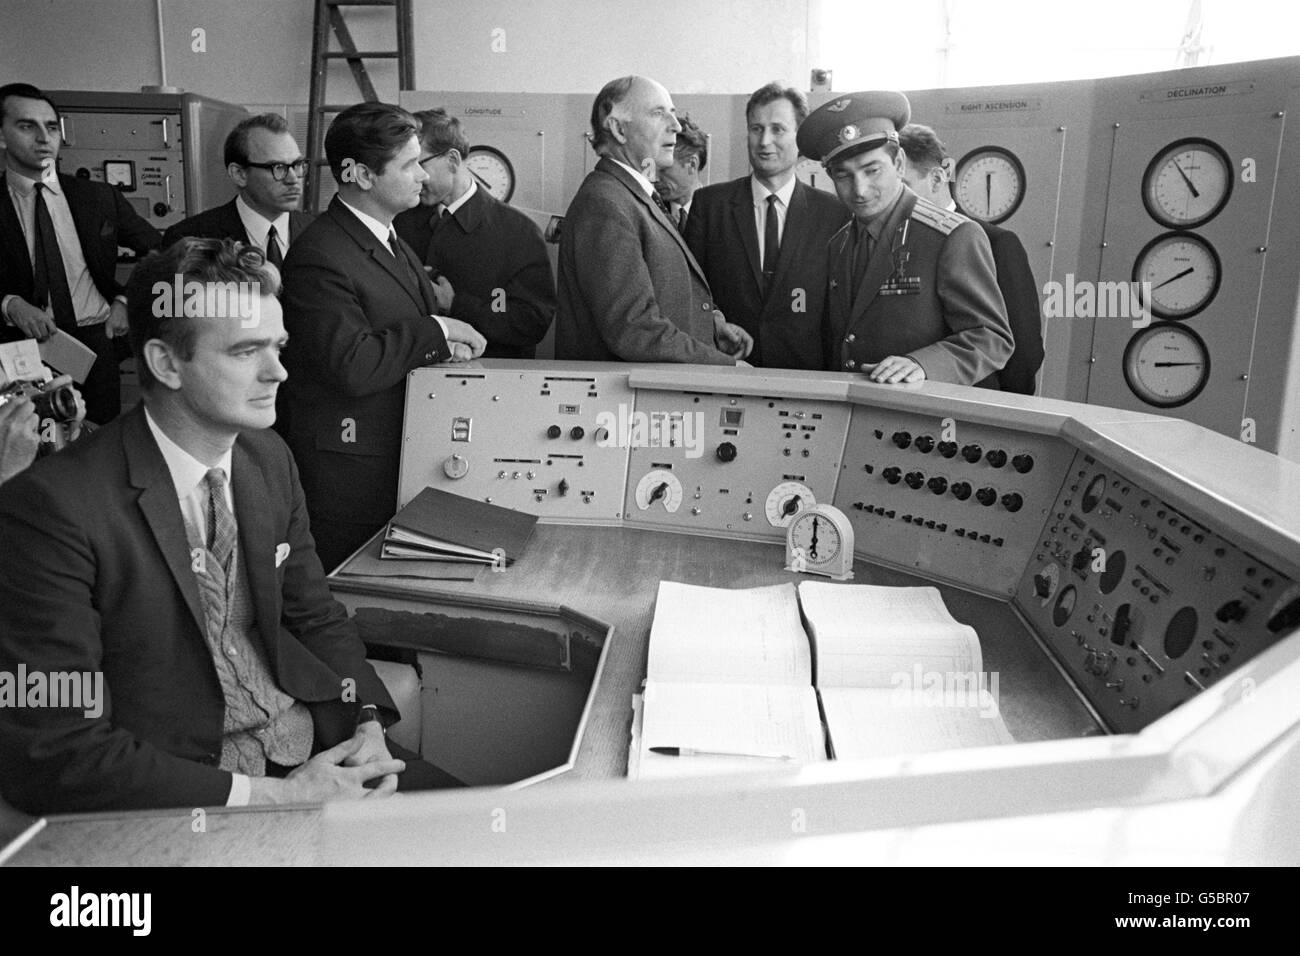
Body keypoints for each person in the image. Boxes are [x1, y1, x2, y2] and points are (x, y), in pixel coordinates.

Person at [0, 237, 462, 815]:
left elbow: (315, 615)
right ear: (166, 363)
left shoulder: (268, 458)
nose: (280, 372)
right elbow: (57, 746)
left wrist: (365, 720)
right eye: (247, 351)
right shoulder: (49, 509)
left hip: (314, 748)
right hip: (181, 792)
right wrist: (275, 796)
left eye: (279, 346)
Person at [280, 102, 486, 571]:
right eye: (409, 164)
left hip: (396, 463)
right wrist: (437, 329)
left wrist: (439, 347)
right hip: (350, 483)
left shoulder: (391, 240)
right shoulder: (321, 255)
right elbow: (350, 364)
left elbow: (391, 332)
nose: (424, 176)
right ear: (360, 175)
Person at [798, 90, 1013, 386]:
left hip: (925, 415)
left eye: (872, 170)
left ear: (898, 163)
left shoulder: (950, 236)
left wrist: (923, 365)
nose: (859, 189)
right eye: (843, 176)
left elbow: (991, 337)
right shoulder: (840, 243)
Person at [554, 75, 751, 365]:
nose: (676, 125)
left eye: (673, 113)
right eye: (659, 113)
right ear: (619, 129)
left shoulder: (633, 196)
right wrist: (724, 366)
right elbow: (634, 329)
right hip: (625, 407)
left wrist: (710, 326)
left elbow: (663, 291)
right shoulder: (605, 204)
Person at [0, 82, 161, 423]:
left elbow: (161, 251)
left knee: (100, 444)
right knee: (33, 452)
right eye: (27, 126)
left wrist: (126, 301)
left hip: (95, 343)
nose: (44, 137)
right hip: (19, 349)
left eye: (52, 127)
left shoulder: (99, 197)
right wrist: (10, 304)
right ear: (1, 136)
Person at [162, 112, 316, 436]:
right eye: (278, 167)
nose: (293, 178)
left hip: (310, 412)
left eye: (298, 165)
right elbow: (180, 333)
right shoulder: (192, 237)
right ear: (239, 173)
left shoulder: (321, 234)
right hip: (230, 412)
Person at [686, 82, 848, 369]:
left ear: (800, 137)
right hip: (727, 371)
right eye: (756, 129)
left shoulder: (834, 214)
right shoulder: (709, 206)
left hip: (806, 379)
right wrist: (715, 320)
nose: (764, 142)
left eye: (778, 129)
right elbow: (689, 290)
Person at [393, 108, 555, 358]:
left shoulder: (519, 233)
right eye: (405, 165)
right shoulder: (399, 222)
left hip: (489, 381)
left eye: (418, 163)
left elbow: (531, 322)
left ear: (453, 160)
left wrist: (456, 304)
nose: (413, 175)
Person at [898, 123, 1044, 395]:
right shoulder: (888, 244)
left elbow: (1024, 354)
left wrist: (997, 417)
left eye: (902, 186)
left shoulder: (998, 243)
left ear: (938, 179)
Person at [655, 113, 707, 231]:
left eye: (663, 169)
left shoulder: (720, 214)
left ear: (692, 164)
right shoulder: (648, 213)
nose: (655, 178)